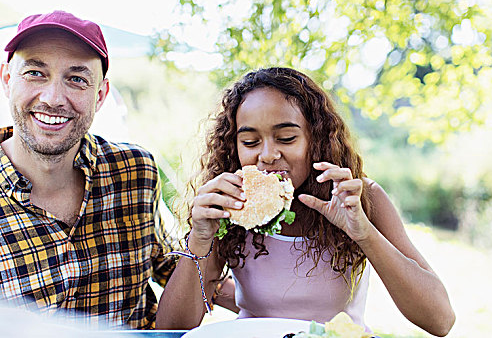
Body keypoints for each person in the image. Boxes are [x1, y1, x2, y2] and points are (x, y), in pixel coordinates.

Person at [156, 67, 456, 336]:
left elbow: (439, 320)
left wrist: (363, 231)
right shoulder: (229, 206)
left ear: (317, 139)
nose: (268, 155)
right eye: (250, 142)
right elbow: (172, 330)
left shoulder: (362, 197)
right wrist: (199, 238)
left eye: (286, 138)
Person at [0, 11, 177, 329]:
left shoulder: (136, 172)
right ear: (7, 79)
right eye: (35, 73)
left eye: (77, 79)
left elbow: (169, 266)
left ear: (100, 96)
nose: (53, 99)